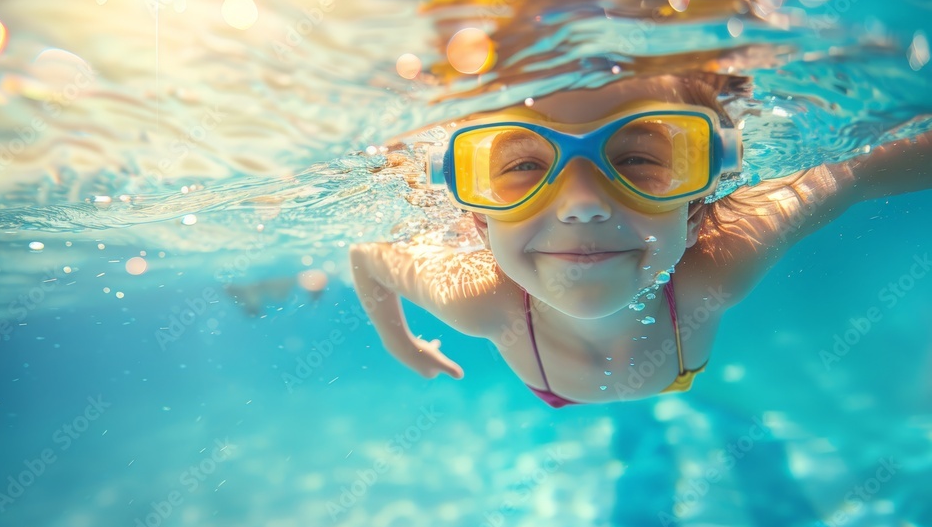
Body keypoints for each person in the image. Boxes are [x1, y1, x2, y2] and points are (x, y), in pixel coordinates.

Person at [349, 72, 931, 407]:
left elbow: (856, 173)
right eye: (523, 167)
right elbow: (365, 257)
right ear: (479, 220)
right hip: (568, 386)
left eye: (634, 159)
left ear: (697, 210)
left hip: (648, 375)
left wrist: (402, 342)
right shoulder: (478, 301)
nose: (581, 204)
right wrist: (401, 344)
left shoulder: (718, 268)